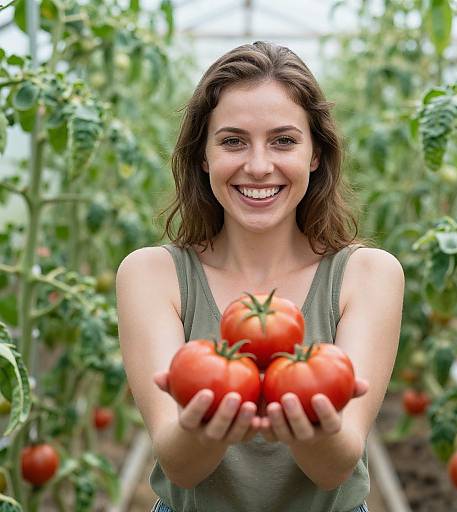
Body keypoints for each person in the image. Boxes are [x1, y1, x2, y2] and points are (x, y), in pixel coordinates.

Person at [115, 41, 405, 512]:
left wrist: (318, 432)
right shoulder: (152, 274)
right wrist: (200, 429)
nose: (258, 166)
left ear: (316, 154)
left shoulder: (368, 274)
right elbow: (181, 467)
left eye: (284, 140)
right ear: (203, 156)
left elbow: (334, 468)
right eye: (232, 141)